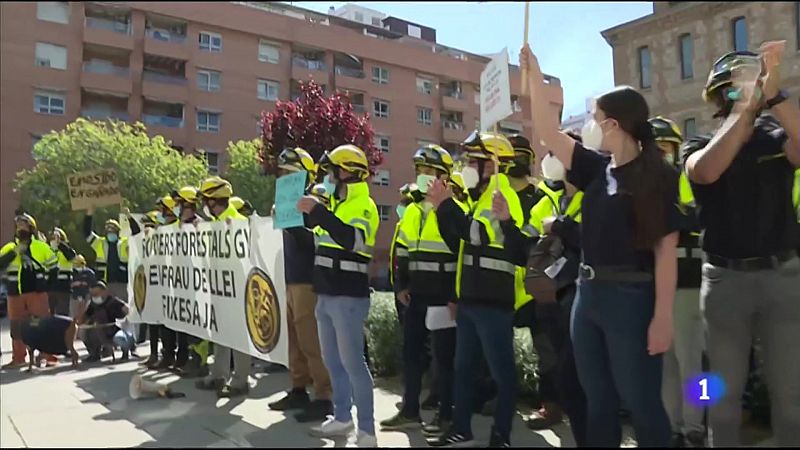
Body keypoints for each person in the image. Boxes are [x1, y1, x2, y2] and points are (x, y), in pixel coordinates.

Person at [521, 43, 680, 447]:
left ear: (614, 124)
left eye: (594, 118)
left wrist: (663, 317)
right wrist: (535, 75)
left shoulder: (657, 175)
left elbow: (665, 251)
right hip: (588, 296)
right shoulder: (596, 168)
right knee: (598, 401)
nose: (590, 125)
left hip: (631, 297)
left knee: (642, 402)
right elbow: (547, 132)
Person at [682, 43, 800, 447]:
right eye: (734, 88)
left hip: (783, 278)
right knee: (722, 399)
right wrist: (744, 112)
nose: (745, 92)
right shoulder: (696, 144)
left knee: (791, 401)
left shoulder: (777, 134)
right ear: (719, 96)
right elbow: (707, 171)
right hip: (724, 282)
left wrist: (776, 96)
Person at [426, 132, 523, 448]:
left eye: (472, 160)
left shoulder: (505, 198)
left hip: (494, 304)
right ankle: (461, 428)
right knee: (463, 369)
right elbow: (460, 244)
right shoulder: (479, 198)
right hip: (470, 301)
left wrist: (446, 205)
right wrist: (444, 210)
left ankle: (502, 435)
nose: (466, 165)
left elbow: (477, 234)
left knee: (502, 374)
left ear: (491, 165)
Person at [296, 144, 379, 448]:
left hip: (348, 296)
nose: (328, 176)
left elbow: (352, 240)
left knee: (353, 363)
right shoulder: (334, 205)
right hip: (326, 295)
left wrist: (319, 212)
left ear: (348, 172)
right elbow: (318, 241)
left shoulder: (365, 205)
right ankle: (342, 417)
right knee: (332, 361)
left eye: (332, 170)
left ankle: (367, 430)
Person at [381, 145, 462, 435]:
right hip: (416, 295)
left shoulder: (455, 210)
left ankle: (445, 416)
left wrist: (455, 296)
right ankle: (410, 411)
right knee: (411, 354)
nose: (423, 176)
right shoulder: (413, 210)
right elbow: (402, 249)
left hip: (443, 295)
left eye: (429, 171)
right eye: (420, 171)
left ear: (444, 175)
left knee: (444, 359)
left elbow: (462, 256)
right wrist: (402, 284)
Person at [649, 116, 706, 448]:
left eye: (664, 149)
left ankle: (696, 426)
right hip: (656, 289)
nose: (659, 155)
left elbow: (698, 219)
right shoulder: (645, 188)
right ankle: (673, 427)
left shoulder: (688, 183)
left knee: (693, 364)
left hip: (689, 285)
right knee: (666, 365)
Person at [268, 148, 334, 423]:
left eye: (288, 171)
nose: (283, 175)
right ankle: (298, 388)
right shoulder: (284, 201)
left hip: (309, 280)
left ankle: (324, 395)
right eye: (282, 171)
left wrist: (293, 224)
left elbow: (317, 241)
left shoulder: (316, 198)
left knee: (311, 341)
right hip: (290, 278)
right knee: (293, 341)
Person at [194, 176, 253, 398]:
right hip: (218, 287)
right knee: (219, 331)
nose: (204, 205)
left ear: (213, 200)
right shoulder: (214, 224)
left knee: (237, 335)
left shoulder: (238, 222)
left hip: (236, 289)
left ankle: (240, 380)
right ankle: (218, 375)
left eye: (206, 200)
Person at [0, 213, 59, 369]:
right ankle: (18, 358)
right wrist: (15, 252)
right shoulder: (9, 248)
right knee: (16, 326)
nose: (20, 228)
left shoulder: (41, 247)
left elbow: (54, 267)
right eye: (18, 226)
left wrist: (46, 285)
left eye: (24, 225)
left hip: (37, 293)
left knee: (43, 324)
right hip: (15, 293)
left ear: (32, 228)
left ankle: (49, 355)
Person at [136, 196, 178, 370]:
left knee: (168, 323)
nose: (161, 214)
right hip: (155, 283)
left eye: (163, 210)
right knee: (154, 321)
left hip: (172, 283)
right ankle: (155, 354)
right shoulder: (159, 231)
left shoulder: (176, 228)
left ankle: (170, 355)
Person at [80, 280, 135, 362]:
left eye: (97, 294)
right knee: (83, 333)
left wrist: (125, 313)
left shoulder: (113, 301)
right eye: (93, 294)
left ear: (104, 292)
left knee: (120, 338)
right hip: (98, 329)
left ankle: (125, 353)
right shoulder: (93, 304)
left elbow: (126, 309)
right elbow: (84, 317)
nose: (95, 296)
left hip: (113, 329)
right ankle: (94, 354)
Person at [46, 227, 76, 316]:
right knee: (49, 315)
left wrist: (60, 245)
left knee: (62, 315)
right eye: (53, 238)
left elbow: (71, 256)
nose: (54, 240)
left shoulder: (67, 250)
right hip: (50, 288)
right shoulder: (47, 250)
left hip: (63, 288)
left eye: (58, 237)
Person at [69, 254, 95, 320]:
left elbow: (93, 283)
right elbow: (68, 284)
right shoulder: (71, 272)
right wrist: (74, 284)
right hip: (74, 295)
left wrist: (83, 283)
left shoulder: (89, 272)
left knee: (84, 314)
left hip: (85, 295)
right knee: (73, 314)